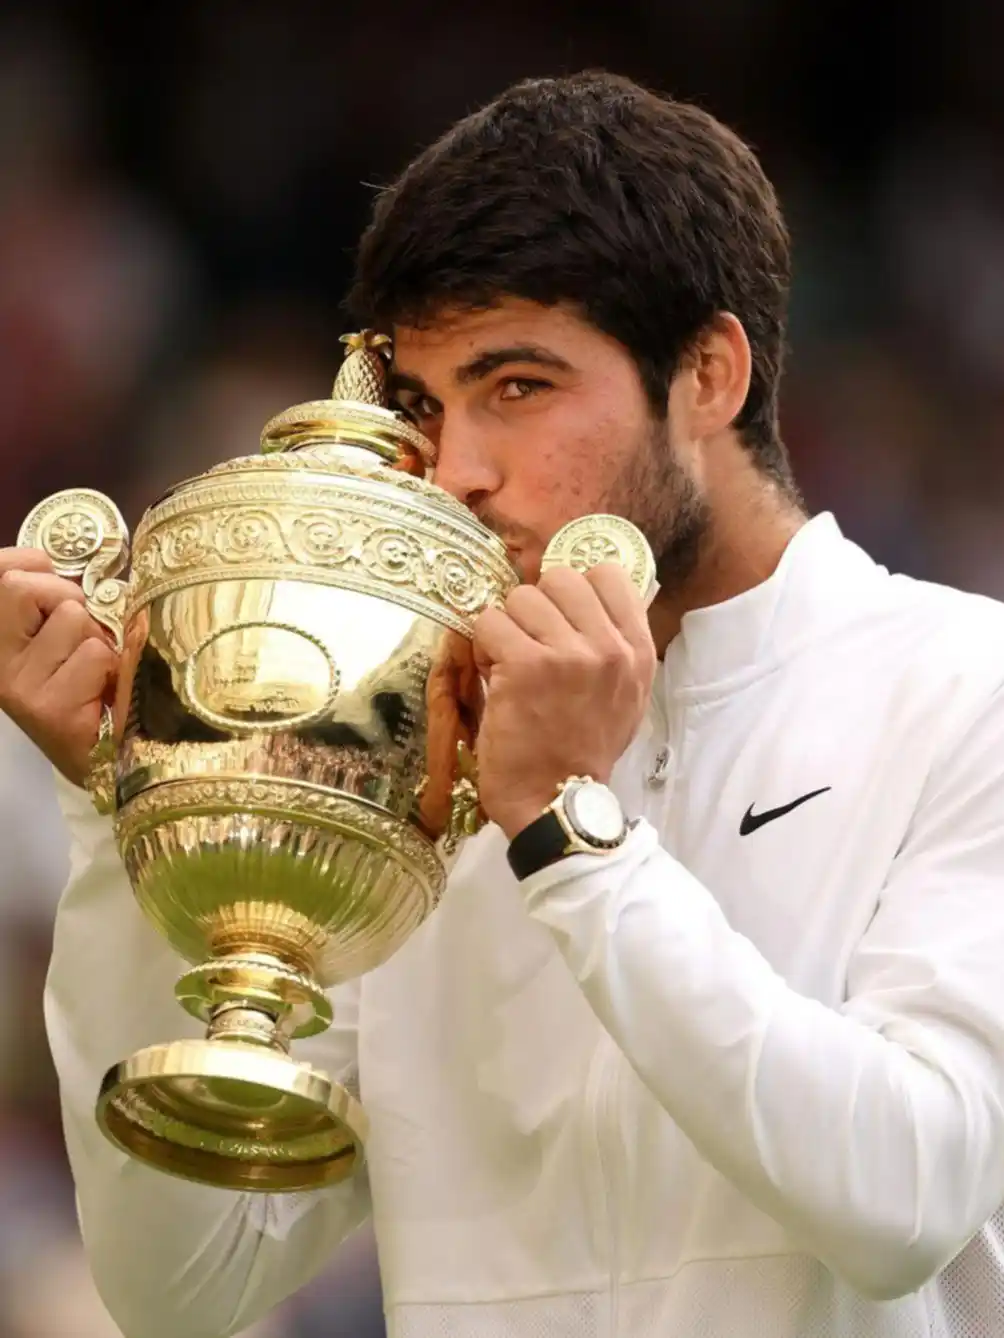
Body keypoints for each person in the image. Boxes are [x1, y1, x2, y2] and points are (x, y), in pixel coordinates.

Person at [2, 70, 1004, 1338]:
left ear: (709, 374)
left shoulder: (967, 686)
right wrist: (121, 810)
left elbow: (901, 1197)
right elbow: (176, 1285)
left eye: (517, 387)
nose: (460, 472)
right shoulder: (406, 743)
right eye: (425, 406)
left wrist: (565, 840)